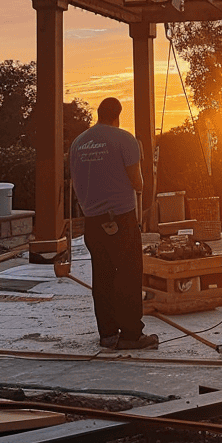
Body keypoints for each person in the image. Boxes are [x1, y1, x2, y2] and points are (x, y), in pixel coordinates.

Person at [69, 97, 158, 350]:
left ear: (99, 114)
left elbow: (76, 183)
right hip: (120, 218)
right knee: (128, 276)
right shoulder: (124, 139)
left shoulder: (78, 143)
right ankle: (131, 334)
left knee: (103, 277)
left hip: (93, 222)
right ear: (118, 114)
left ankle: (107, 334)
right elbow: (138, 183)